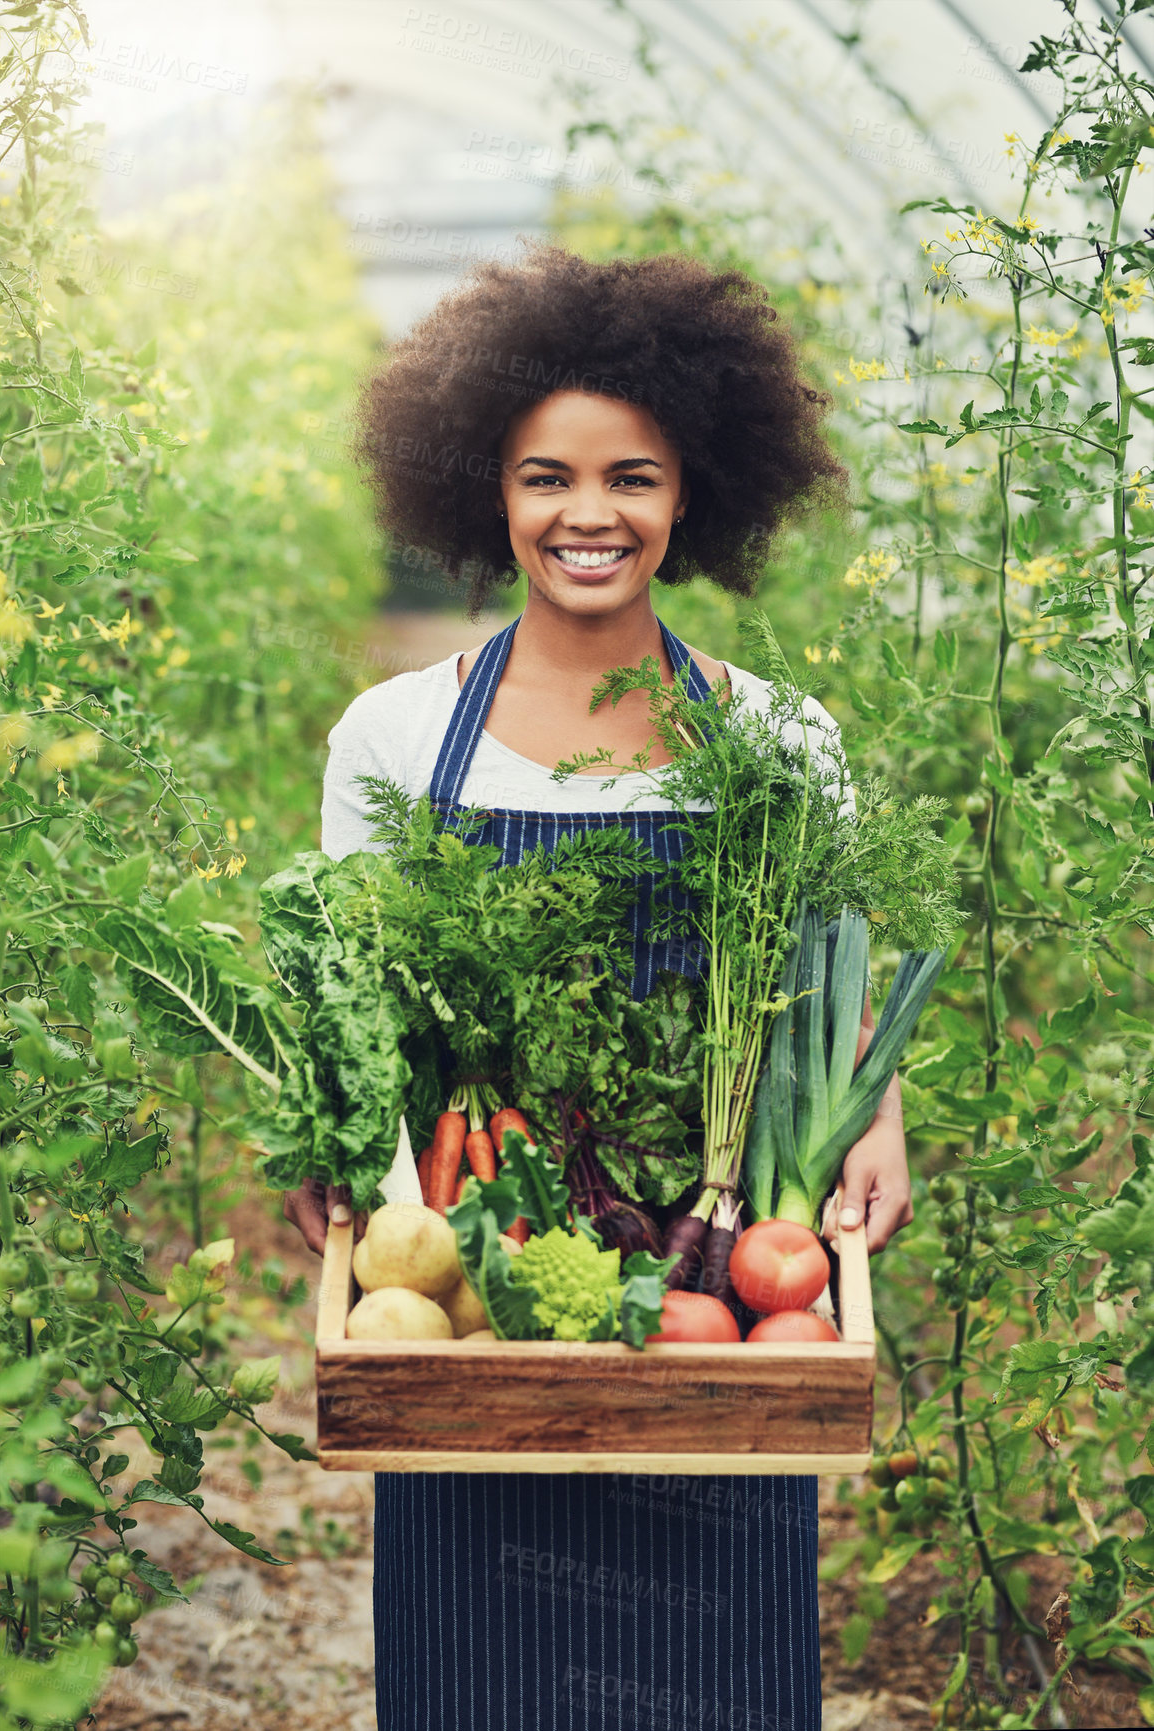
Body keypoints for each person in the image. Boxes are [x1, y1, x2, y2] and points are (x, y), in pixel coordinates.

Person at [285, 243, 911, 1731]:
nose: (589, 513)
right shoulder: (392, 737)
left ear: (692, 493)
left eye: (632, 476)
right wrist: (340, 1154)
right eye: (544, 477)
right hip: (473, 1269)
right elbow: (350, 986)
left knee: (719, 1670)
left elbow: (832, 976)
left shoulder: (778, 735)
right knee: (477, 1671)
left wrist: (872, 1114)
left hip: (720, 1264)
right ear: (487, 495)